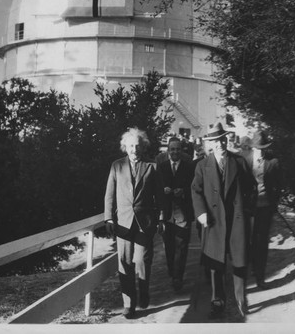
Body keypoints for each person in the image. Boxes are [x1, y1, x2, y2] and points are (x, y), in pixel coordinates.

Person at [191, 122, 256, 319]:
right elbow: (195, 191)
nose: (220, 144)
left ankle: (240, 299)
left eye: (222, 139)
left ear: (226, 139)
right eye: (215, 141)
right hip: (214, 221)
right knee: (215, 263)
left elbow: (251, 188)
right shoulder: (202, 166)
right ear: (209, 144)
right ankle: (217, 300)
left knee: (239, 261)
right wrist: (201, 213)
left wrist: (246, 210)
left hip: (237, 221)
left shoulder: (239, 162)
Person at [104, 127, 165, 319]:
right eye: (130, 146)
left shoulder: (152, 167)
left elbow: (160, 196)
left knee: (142, 261)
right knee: (125, 263)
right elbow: (109, 195)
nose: (134, 150)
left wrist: (161, 218)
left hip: (144, 223)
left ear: (143, 147)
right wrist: (108, 217)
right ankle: (129, 304)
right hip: (123, 223)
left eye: (137, 146)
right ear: (125, 147)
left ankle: (144, 291)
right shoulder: (116, 166)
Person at [241, 130, 282, 289]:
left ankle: (260, 276)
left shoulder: (274, 162)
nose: (261, 151)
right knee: (248, 240)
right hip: (248, 208)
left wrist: (274, 203)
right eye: (258, 147)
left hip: (265, 207)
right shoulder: (245, 160)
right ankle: (251, 267)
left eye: (264, 148)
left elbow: (279, 185)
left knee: (262, 241)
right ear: (253, 147)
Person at [158, 137, 195, 291]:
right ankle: (172, 271)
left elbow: (194, 188)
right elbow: (157, 190)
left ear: (182, 151)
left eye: (177, 149)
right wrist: (163, 190)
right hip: (167, 214)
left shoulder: (189, 167)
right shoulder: (162, 167)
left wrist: (184, 191)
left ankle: (178, 277)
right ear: (168, 151)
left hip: (183, 214)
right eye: (172, 149)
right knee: (169, 247)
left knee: (182, 246)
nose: (175, 152)